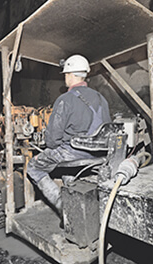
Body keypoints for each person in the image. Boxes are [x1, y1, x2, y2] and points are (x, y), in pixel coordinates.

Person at [27, 54, 111, 219]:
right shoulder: (102, 99)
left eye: (65, 74)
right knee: (66, 169)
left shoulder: (65, 99)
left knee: (33, 166)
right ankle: (76, 200)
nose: (65, 78)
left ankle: (62, 206)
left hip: (74, 152)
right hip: (100, 154)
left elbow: (52, 141)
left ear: (71, 75)